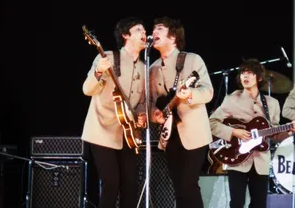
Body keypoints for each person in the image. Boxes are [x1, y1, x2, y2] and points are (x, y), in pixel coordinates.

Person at [209, 59, 295, 208]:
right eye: (243, 73)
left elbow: (274, 133)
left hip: (261, 161)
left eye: (250, 73)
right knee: (237, 203)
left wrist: (290, 130)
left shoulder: (272, 104)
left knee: (259, 204)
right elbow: (211, 122)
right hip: (236, 158)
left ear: (259, 78)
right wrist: (234, 131)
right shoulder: (231, 99)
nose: (245, 76)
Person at [81, 17, 148, 208]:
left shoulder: (144, 68)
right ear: (125, 35)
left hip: (128, 134)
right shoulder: (108, 57)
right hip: (102, 130)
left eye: (144, 30)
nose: (144, 33)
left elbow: (143, 101)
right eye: (138, 30)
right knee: (111, 183)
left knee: (130, 186)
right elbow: (87, 89)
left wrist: (142, 115)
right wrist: (98, 73)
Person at [149, 16, 214, 208]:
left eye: (159, 29)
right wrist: (154, 114)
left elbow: (208, 92)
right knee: (178, 187)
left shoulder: (192, 59)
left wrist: (189, 93)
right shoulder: (152, 68)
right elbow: (152, 103)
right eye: (153, 29)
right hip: (169, 135)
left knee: (188, 184)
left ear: (173, 37)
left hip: (193, 132)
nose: (154, 33)